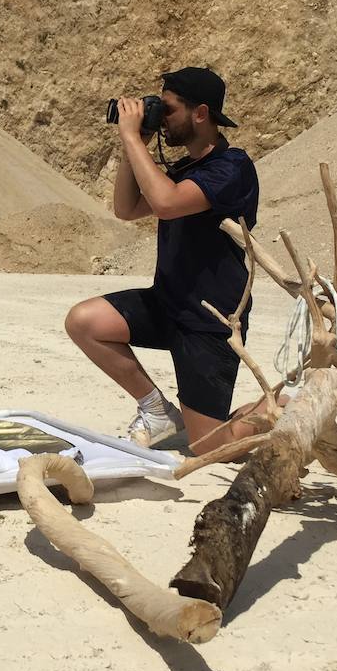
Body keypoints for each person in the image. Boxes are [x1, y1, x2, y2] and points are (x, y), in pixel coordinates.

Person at [65, 66, 260, 454]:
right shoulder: (185, 168)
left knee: (210, 447)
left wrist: (130, 138)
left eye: (168, 110)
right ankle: (158, 413)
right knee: (84, 322)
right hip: (167, 302)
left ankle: (279, 409)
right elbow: (126, 208)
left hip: (211, 317)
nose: (163, 118)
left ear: (200, 114)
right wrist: (132, 143)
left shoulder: (232, 167)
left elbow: (167, 204)